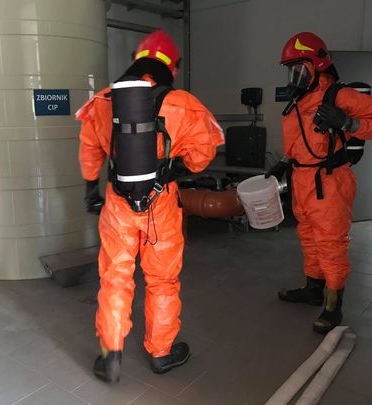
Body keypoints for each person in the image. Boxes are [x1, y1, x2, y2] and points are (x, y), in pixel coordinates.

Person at [76, 30, 224, 382]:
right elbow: (201, 158)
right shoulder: (183, 103)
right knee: (162, 280)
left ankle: (110, 354)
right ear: (172, 66)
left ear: (136, 58)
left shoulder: (103, 101)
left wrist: (90, 189)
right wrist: (172, 166)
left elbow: (90, 152)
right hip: (161, 204)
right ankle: (161, 353)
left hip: (117, 202)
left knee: (115, 276)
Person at [266, 32, 372, 334]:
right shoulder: (299, 101)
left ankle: (333, 305)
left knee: (330, 243)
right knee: (308, 237)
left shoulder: (339, 96)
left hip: (329, 181)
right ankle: (313, 289)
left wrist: (347, 123)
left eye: (300, 69)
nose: (294, 76)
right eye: (291, 70)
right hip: (302, 180)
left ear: (318, 65)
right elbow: (299, 141)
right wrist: (284, 162)